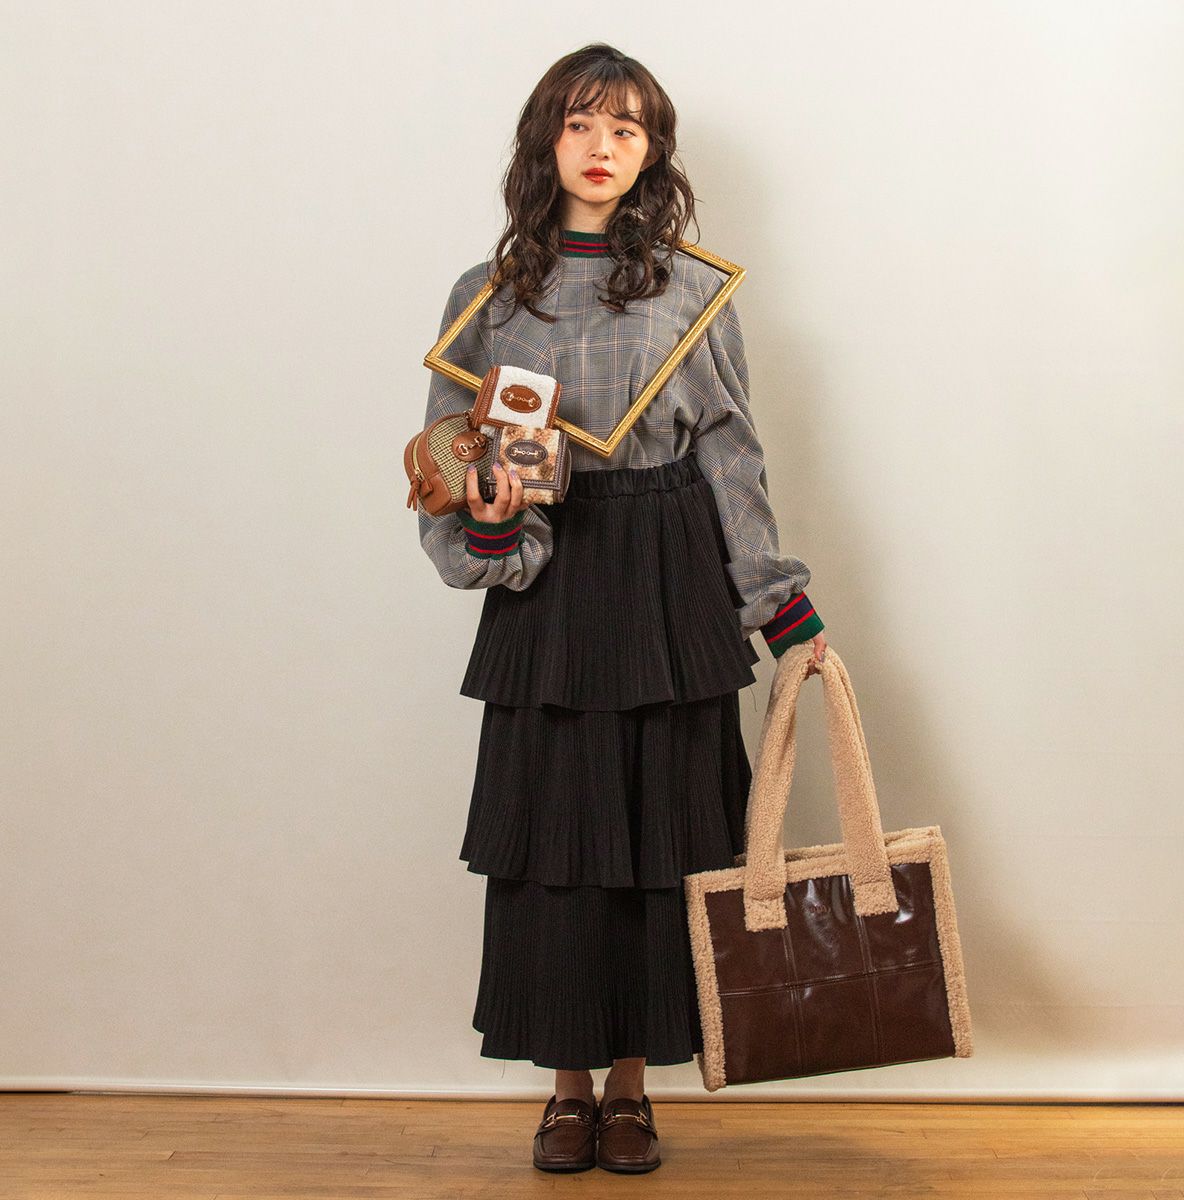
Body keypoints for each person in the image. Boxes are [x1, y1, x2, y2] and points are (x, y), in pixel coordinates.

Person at [417, 43, 828, 1174]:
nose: (603, 147)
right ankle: (565, 1092)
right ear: (545, 139)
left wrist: (779, 604)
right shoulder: (487, 295)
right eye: (582, 123)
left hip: (668, 572)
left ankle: (635, 1092)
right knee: (558, 840)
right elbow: (450, 453)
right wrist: (490, 524)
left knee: (662, 840)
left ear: (652, 152)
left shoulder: (693, 289)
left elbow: (732, 454)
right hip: (551, 581)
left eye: (628, 128)